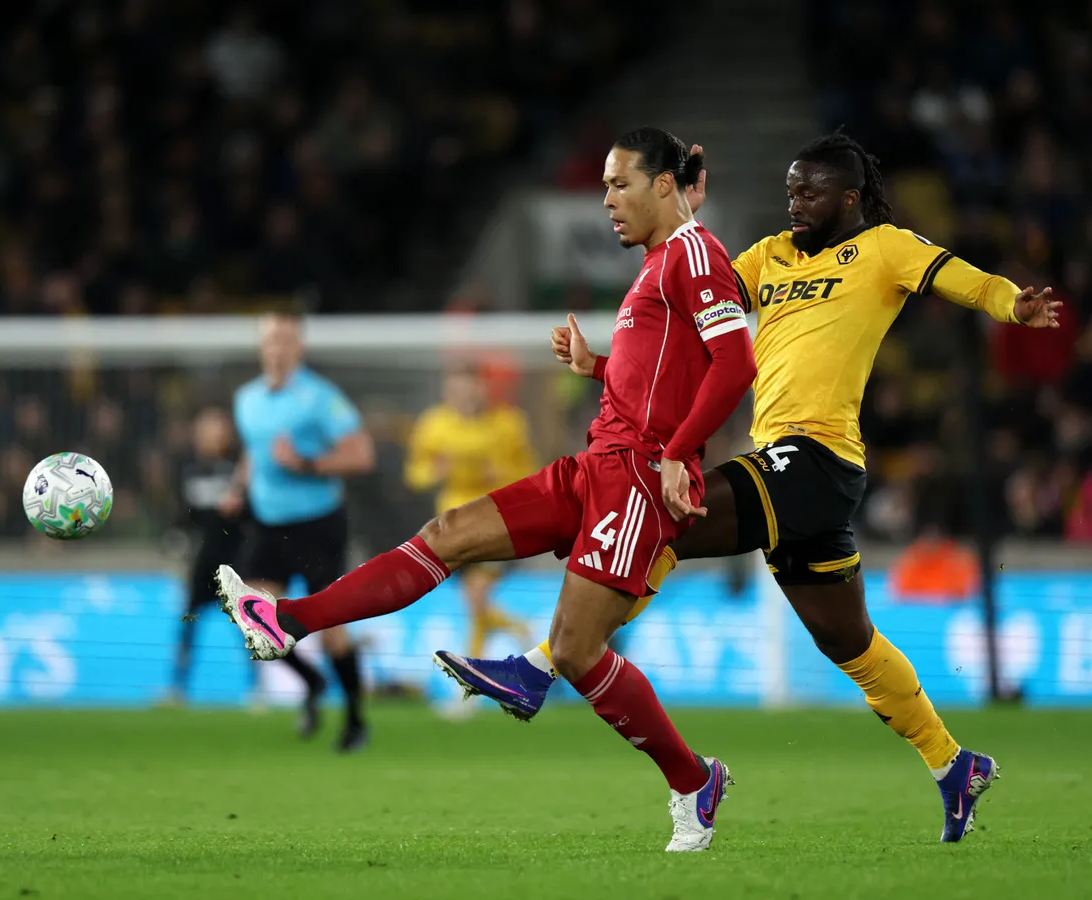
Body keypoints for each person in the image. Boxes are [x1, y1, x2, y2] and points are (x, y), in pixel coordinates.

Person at [433, 131, 1063, 843]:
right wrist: (607, 361)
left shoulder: (885, 247)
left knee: (667, 515)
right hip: (785, 468)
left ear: (849, 198)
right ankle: (954, 764)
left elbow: (963, 279)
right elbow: (688, 312)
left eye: (810, 191)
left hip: (818, 458)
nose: (794, 201)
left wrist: (1015, 306)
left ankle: (542, 666)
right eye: (789, 188)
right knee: (848, 641)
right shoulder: (768, 258)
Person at [215, 127, 757, 852]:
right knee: (450, 533)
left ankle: (689, 778)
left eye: (619, 184)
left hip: (640, 477)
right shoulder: (659, 264)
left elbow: (735, 363)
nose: (606, 201)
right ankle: (289, 621)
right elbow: (663, 374)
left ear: (665, 185)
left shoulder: (695, 253)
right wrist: (598, 366)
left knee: (575, 649)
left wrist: (679, 454)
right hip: (598, 462)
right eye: (603, 186)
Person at [223, 312, 377, 752]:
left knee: (332, 630)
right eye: (270, 339)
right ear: (260, 346)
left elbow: (361, 456)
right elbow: (255, 453)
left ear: (298, 347)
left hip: (317, 525)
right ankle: (311, 681)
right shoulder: (247, 399)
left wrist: (307, 464)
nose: (277, 348)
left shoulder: (320, 399)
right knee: (252, 619)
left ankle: (355, 720)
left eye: (285, 340)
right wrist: (238, 487)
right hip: (268, 524)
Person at [404, 366, 536, 670]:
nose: (464, 396)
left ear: (482, 389)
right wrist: (435, 471)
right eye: (457, 391)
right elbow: (415, 474)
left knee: (476, 594)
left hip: (496, 520)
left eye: (470, 389)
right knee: (475, 601)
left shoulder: (508, 423)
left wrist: (501, 474)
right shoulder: (433, 424)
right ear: (447, 393)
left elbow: (531, 472)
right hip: (449, 524)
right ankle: (521, 632)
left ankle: (472, 674)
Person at [165, 406, 248, 705]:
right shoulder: (187, 470)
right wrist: (175, 543)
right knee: (189, 622)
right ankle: (177, 688)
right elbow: (181, 516)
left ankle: (258, 686)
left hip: (235, 561)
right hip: (202, 561)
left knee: (246, 625)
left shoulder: (239, 469)